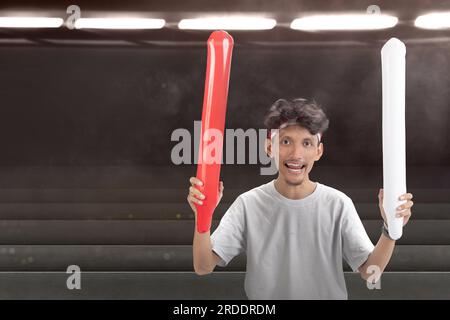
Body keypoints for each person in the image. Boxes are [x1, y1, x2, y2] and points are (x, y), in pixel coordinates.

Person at [187, 98, 414, 299]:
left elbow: (369, 272)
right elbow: (203, 266)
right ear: (269, 147)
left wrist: (390, 229)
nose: (296, 154)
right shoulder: (248, 204)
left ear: (318, 151)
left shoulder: (338, 204)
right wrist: (202, 216)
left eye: (307, 143)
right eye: (286, 142)